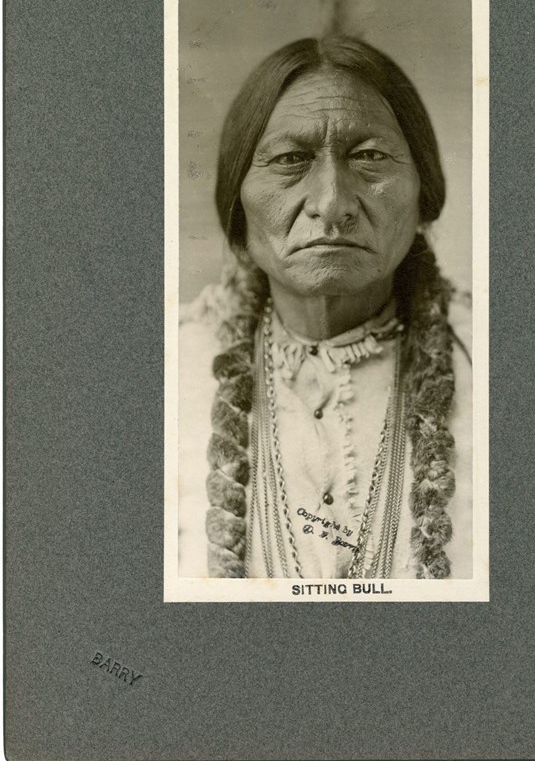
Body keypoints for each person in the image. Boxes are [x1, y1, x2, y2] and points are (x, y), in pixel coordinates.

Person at [178, 36, 472, 580]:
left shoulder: (491, 362)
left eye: (370, 157)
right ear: (237, 215)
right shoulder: (169, 374)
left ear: (423, 197)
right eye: (290, 160)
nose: (332, 205)